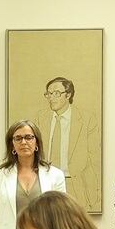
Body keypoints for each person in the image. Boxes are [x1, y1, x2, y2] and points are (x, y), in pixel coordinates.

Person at [43, 77, 98, 212]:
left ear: (68, 95)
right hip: (46, 184)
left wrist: (94, 194)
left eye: (56, 93)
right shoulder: (41, 118)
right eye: (48, 94)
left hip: (74, 184)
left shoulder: (86, 120)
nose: (51, 98)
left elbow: (94, 158)